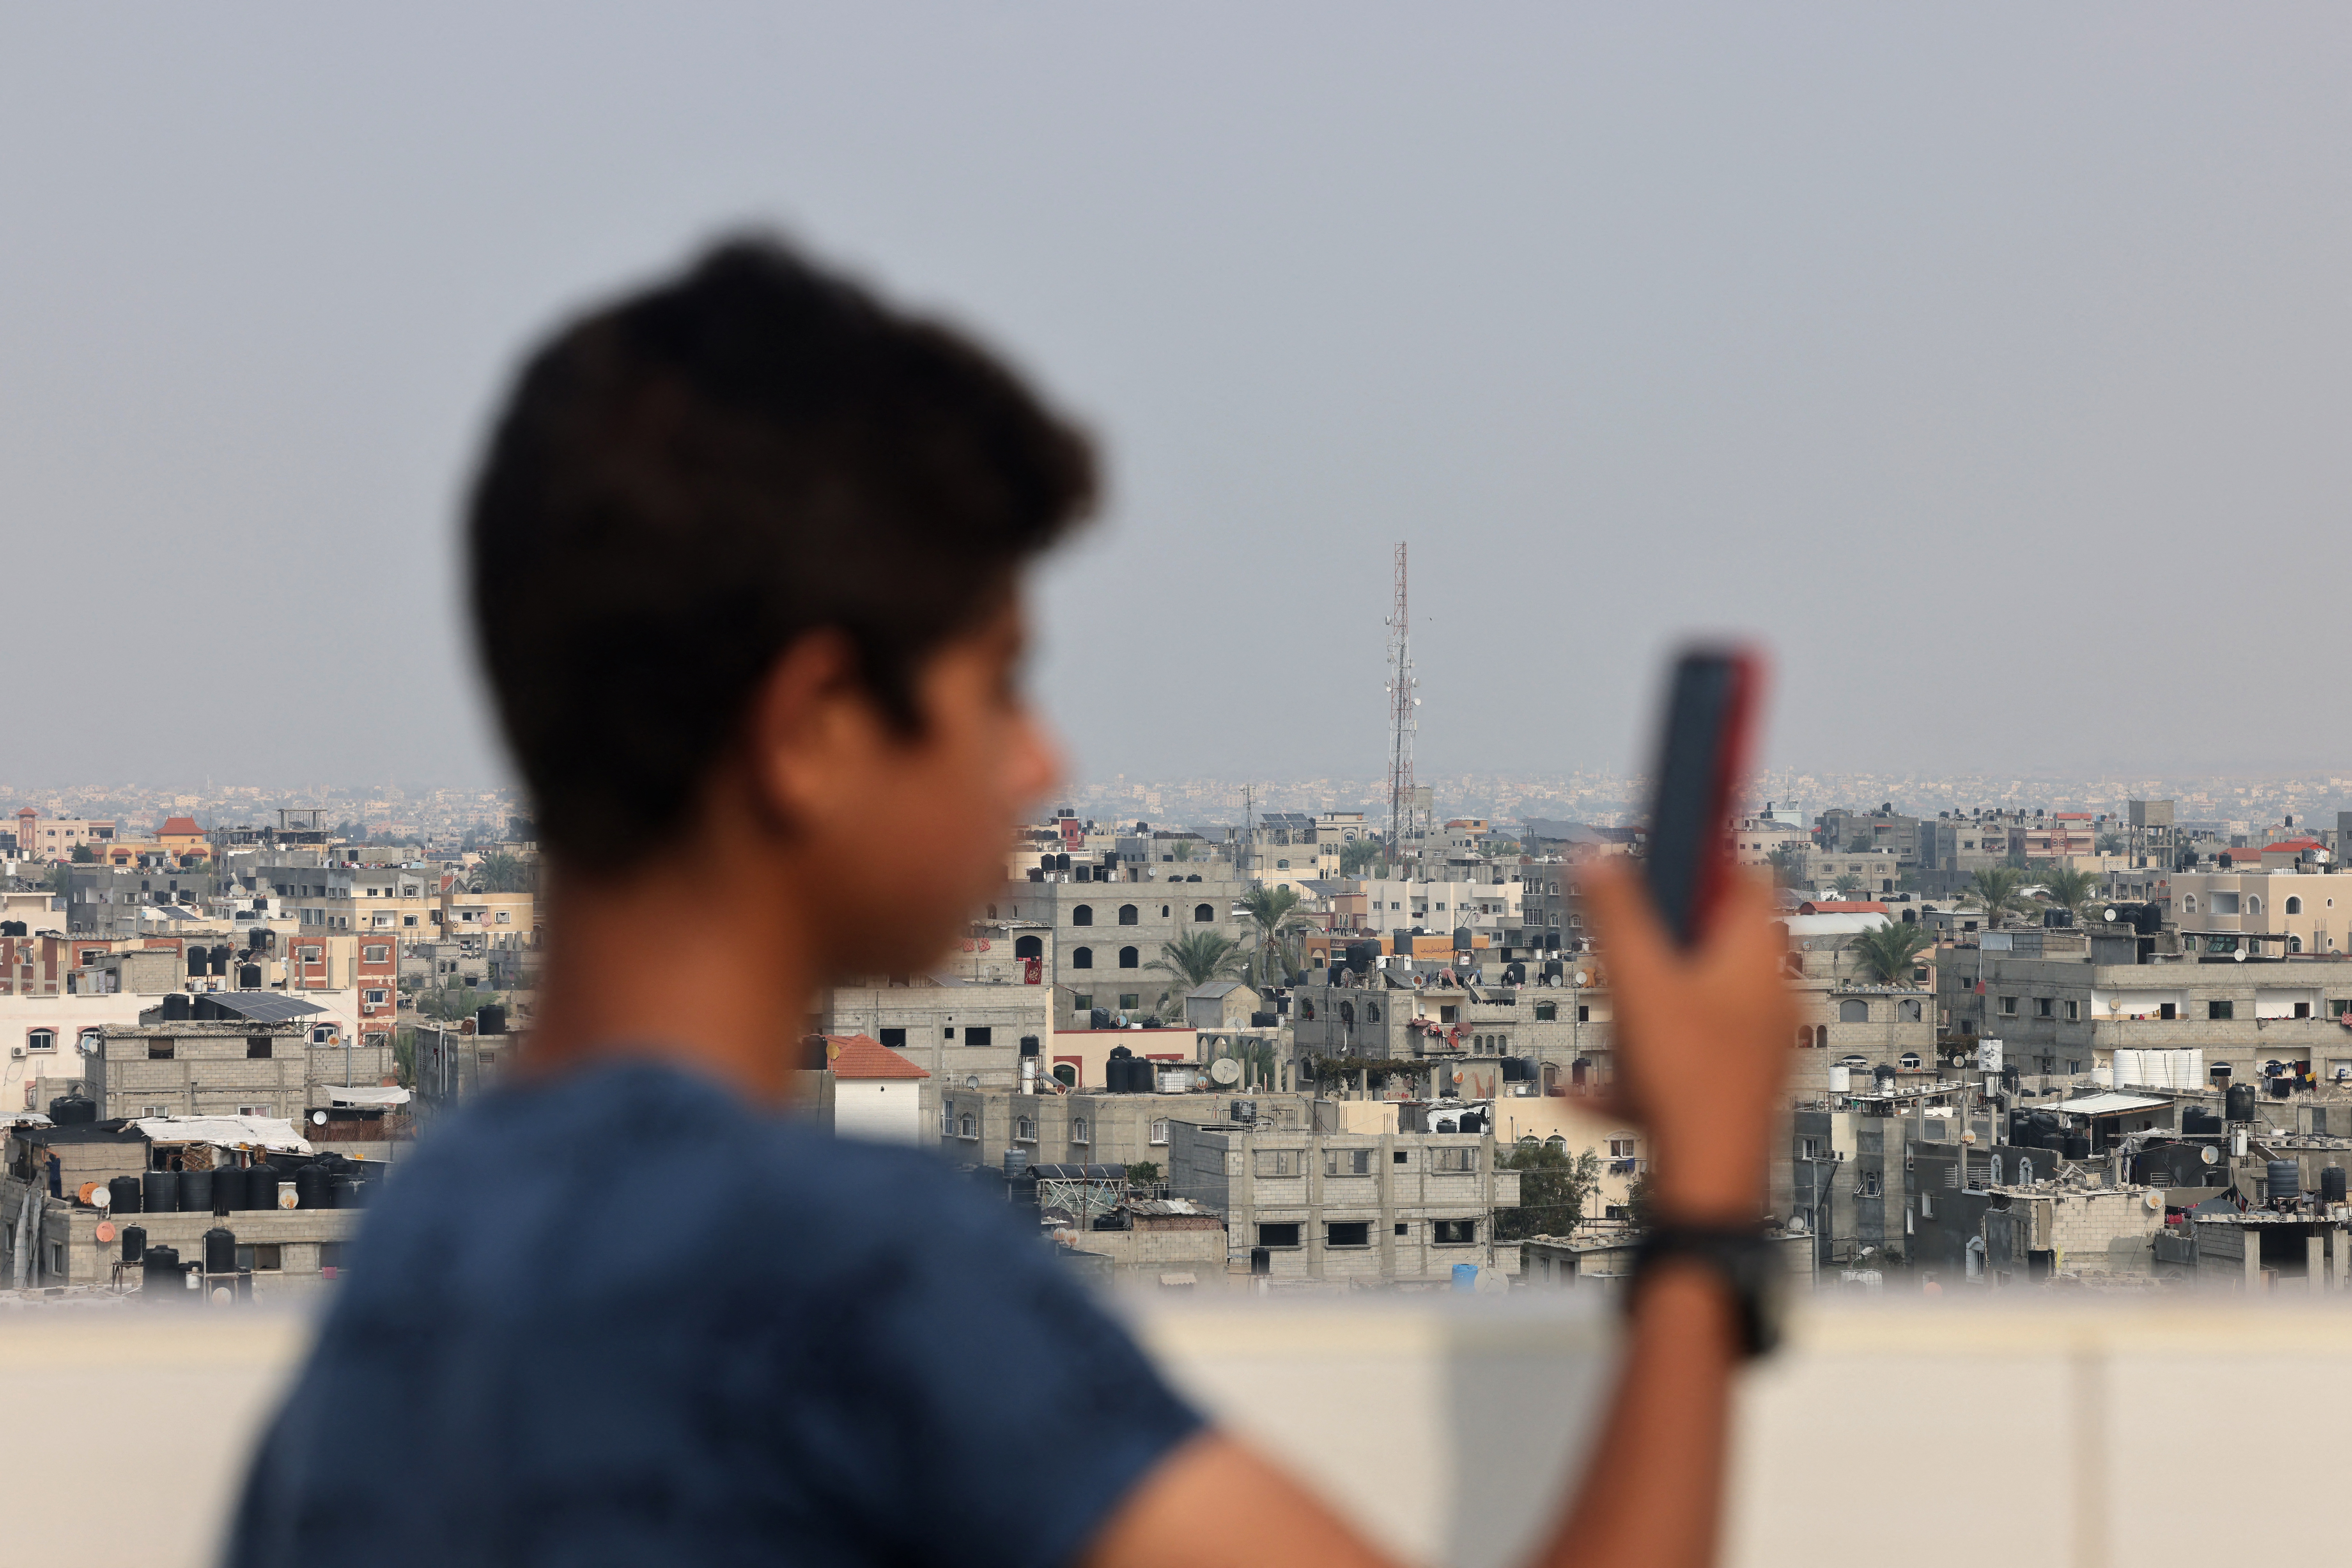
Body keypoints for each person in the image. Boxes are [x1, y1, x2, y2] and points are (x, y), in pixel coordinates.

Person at [227, 237, 1795, 1568]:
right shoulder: (844, 1274)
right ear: (815, 729)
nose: (1039, 757)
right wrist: (1708, 1202)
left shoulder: (417, 1268)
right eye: (997, 681)